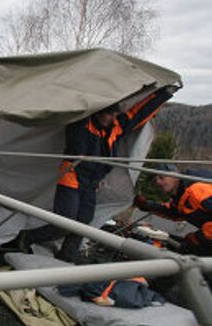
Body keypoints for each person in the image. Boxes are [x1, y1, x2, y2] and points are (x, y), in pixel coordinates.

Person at [18, 87, 174, 262]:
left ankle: (67, 258)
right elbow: (76, 142)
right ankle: (28, 237)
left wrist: (164, 95)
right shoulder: (81, 123)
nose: (112, 118)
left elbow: (139, 113)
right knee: (65, 222)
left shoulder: (116, 125)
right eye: (108, 114)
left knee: (83, 223)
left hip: (92, 181)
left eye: (115, 114)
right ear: (98, 112)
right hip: (72, 176)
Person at [134, 163, 212, 258]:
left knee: (186, 255)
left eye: (161, 177)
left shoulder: (197, 189)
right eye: (156, 180)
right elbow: (173, 212)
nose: (158, 182)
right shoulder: (181, 196)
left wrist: (201, 237)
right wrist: (146, 205)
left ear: (176, 176)